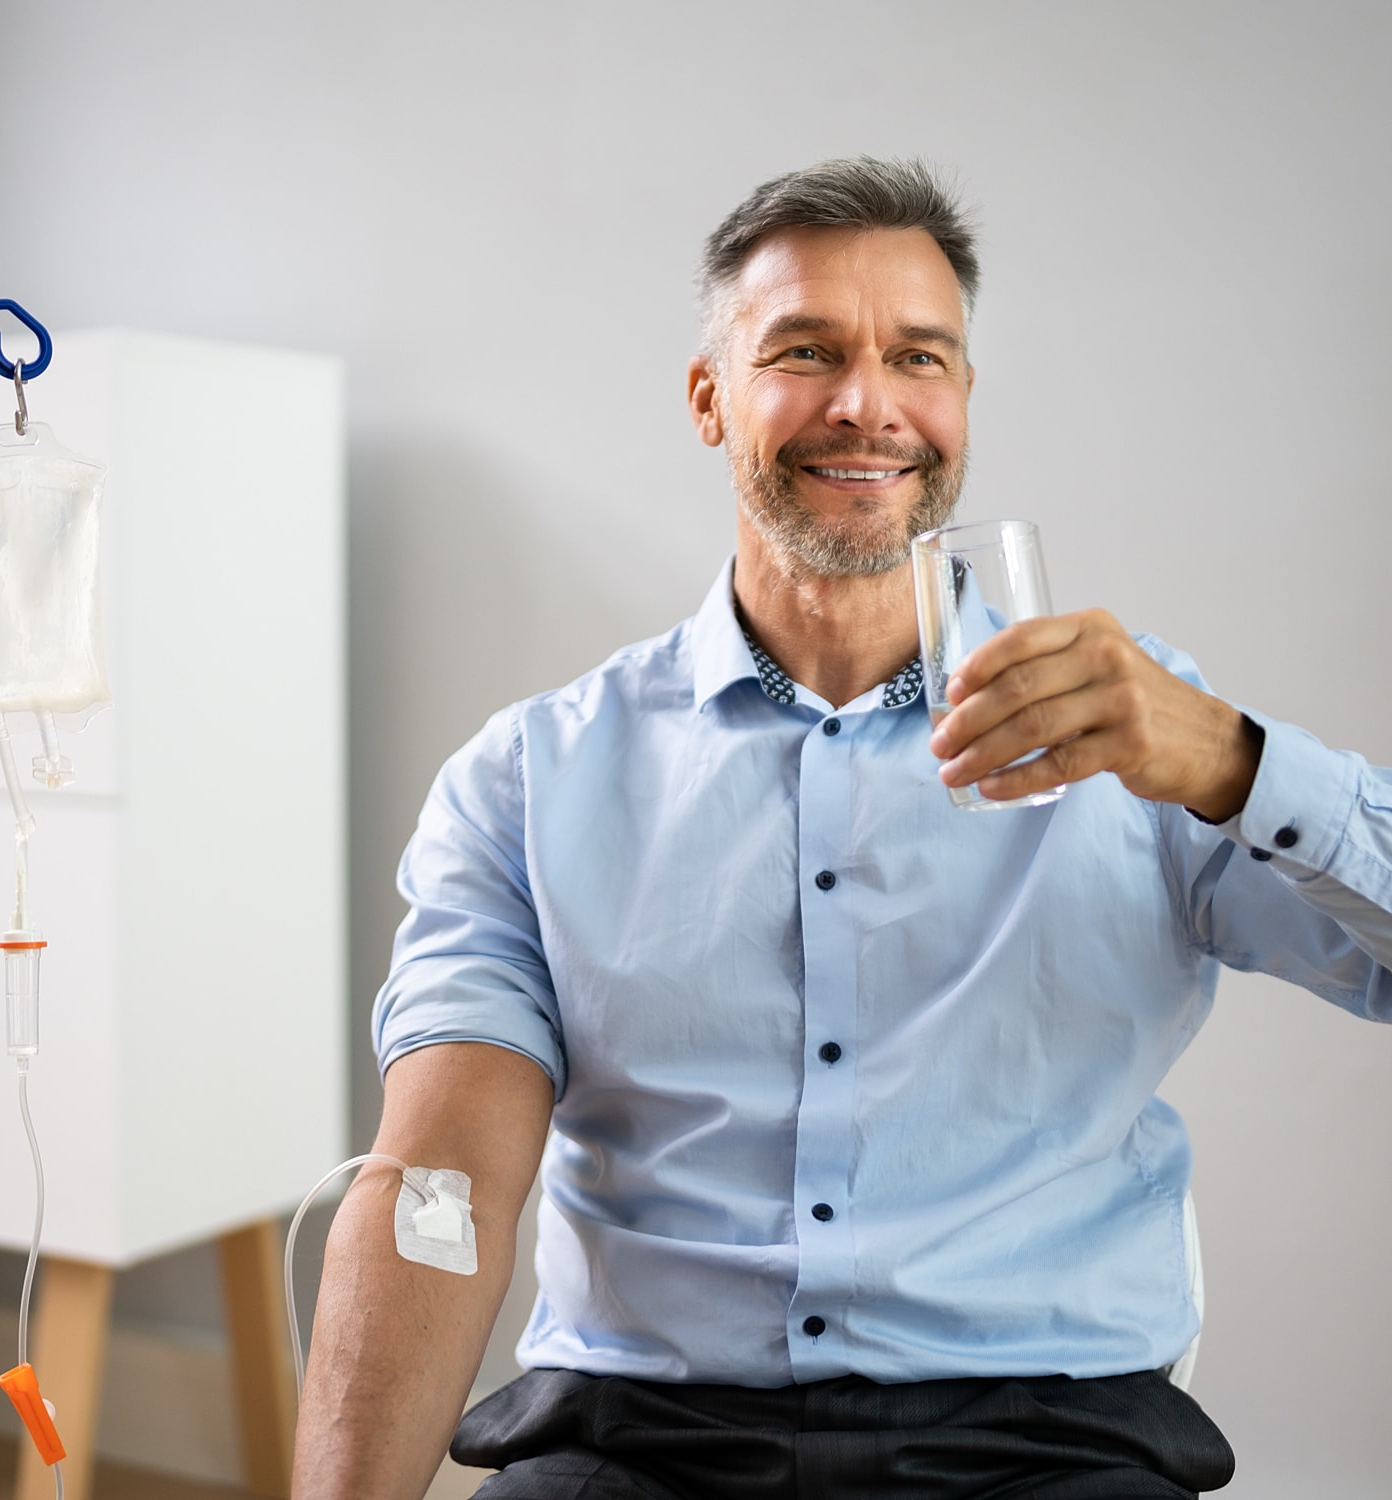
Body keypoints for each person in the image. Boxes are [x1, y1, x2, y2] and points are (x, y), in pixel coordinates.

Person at [292, 158, 1392, 1499]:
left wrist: (1234, 761)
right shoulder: (529, 779)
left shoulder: (1149, 734)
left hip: (1047, 1445)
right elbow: (441, 1187)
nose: (868, 403)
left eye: (917, 357)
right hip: (641, 1441)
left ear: (963, 401)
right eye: (804, 351)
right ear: (711, 398)